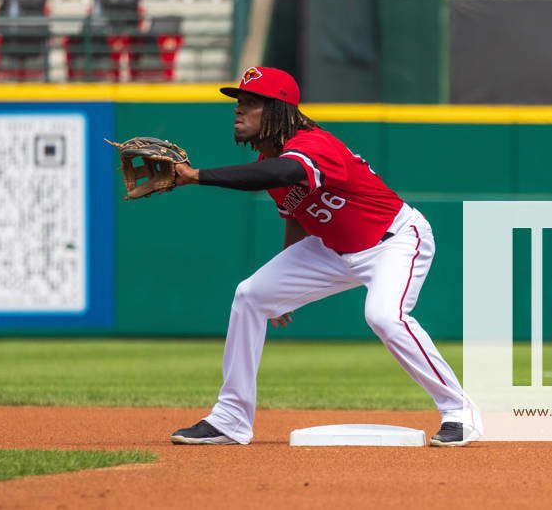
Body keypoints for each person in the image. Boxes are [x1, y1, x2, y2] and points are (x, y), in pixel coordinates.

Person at [168, 66, 481, 447]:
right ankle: (230, 419)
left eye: (251, 103)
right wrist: (283, 290)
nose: (239, 110)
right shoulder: (274, 158)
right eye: (239, 103)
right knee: (251, 296)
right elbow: (296, 217)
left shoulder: (314, 145)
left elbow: (283, 172)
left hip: (394, 240)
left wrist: (196, 175)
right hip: (333, 248)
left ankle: (459, 412)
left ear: (279, 110)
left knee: (384, 315)